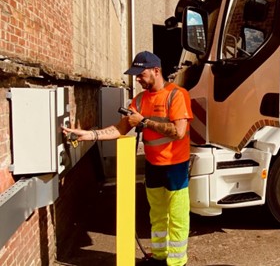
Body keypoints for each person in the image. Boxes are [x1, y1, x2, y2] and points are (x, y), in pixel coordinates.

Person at [63, 51, 193, 266]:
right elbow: (120, 128)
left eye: (141, 75)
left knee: (177, 218)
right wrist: (89, 135)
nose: (138, 79)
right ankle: (159, 258)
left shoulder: (177, 95)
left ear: (156, 71)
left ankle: (178, 263)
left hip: (175, 167)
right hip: (153, 166)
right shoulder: (140, 100)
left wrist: (145, 122)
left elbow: (179, 132)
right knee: (157, 215)